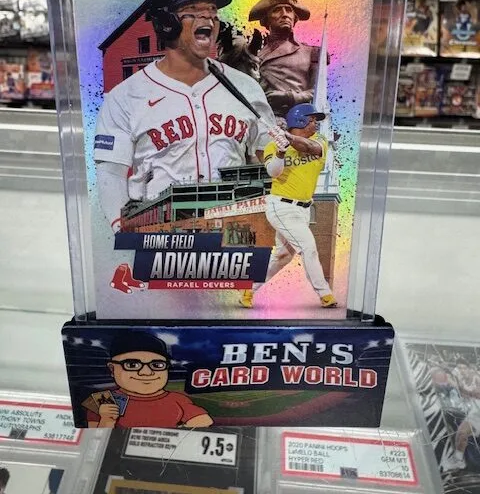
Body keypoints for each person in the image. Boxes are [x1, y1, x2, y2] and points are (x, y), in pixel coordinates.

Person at [94, 0, 276, 233]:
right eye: (192, 10)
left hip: (233, 234)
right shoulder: (124, 96)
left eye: (212, 10)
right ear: (166, 22)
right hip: (161, 236)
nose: (208, 18)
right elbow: (111, 173)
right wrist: (122, 231)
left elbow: (269, 157)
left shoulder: (246, 87)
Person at [240, 103, 337, 309]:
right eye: (312, 120)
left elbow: (309, 148)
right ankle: (325, 294)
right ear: (300, 120)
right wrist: (281, 152)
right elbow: (273, 172)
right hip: (281, 206)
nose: (316, 124)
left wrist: (288, 137)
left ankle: (248, 289)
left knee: (282, 256)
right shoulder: (272, 146)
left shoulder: (319, 140)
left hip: (304, 209)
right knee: (308, 247)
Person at [85, 331, 213, 428]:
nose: (146, 372)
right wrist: (106, 421)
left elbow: (204, 420)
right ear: (112, 369)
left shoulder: (177, 399)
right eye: (132, 365)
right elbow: (93, 437)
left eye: (157, 365)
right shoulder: (102, 400)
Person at [248, 0, 322, 123]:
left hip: (299, 122)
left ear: (294, 18)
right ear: (266, 19)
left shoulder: (312, 53)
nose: (284, 14)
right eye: (277, 10)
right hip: (264, 122)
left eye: (289, 10)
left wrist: (289, 97)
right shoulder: (254, 55)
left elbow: (319, 93)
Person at [443, 359, 480, 471]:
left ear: (469, 369)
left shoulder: (477, 377)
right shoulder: (462, 379)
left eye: (464, 368)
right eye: (460, 368)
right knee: (461, 433)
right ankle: (459, 460)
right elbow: (465, 394)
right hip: (475, 412)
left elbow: (476, 394)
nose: (462, 371)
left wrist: (455, 385)